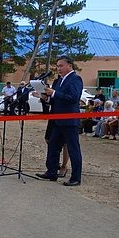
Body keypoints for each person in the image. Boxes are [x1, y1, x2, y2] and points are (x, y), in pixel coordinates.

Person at [35, 55, 84, 186]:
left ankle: (76, 178)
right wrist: (44, 97)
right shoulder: (58, 81)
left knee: (73, 149)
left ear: (70, 66)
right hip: (57, 120)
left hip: (69, 120)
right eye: (57, 66)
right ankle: (51, 171)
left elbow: (73, 98)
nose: (58, 69)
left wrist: (54, 93)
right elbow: (55, 100)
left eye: (61, 66)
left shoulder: (75, 79)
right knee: (53, 146)